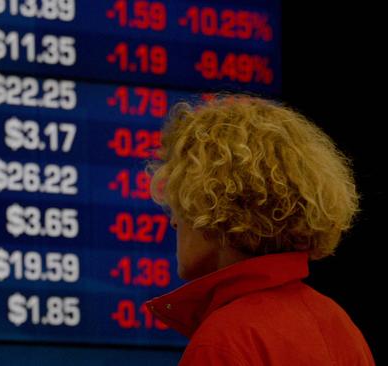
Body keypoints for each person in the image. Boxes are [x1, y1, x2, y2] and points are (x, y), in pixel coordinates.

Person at [144, 95, 375, 365]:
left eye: (181, 204)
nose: (174, 222)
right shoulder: (341, 327)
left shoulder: (224, 342)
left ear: (218, 209)